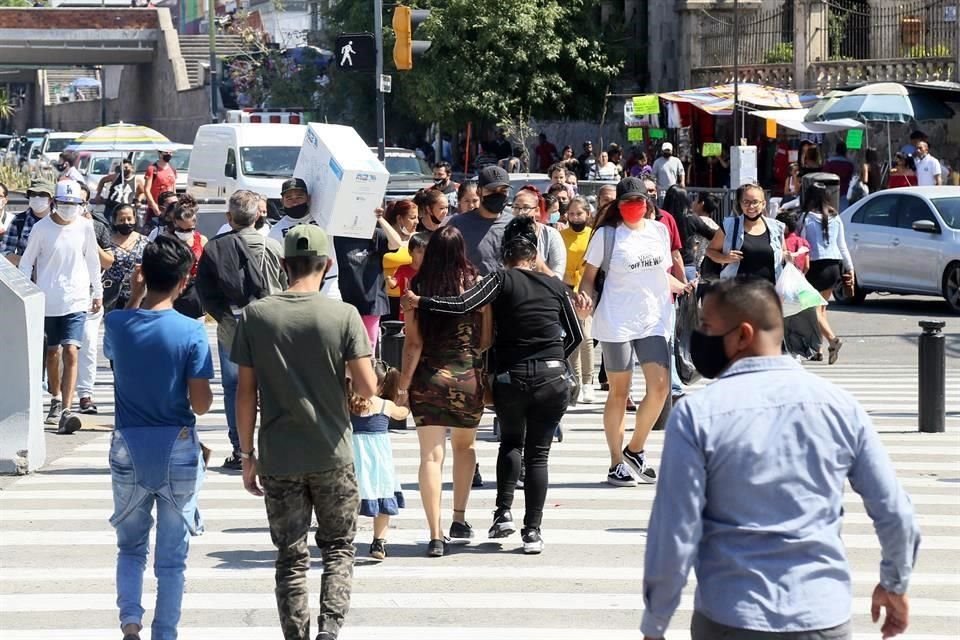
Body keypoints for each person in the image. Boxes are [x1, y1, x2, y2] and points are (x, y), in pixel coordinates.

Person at [640, 278, 920, 640]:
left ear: (742, 335)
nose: (699, 336)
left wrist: (655, 624)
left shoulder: (698, 414)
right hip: (822, 615)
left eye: (707, 326)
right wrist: (894, 584)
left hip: (731, 617)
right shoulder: (839, 406)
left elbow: (674, 531)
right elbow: (896, 512)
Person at [403, 215, 583, 554]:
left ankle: (474, 522)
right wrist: (557, 360)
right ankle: (525, 530)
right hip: (518, 376)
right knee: (530, 454)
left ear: (504, 257)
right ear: (533, 257)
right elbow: (574, 335)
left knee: (490, 447)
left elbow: (446, 318)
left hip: (472, 376)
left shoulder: (490, 280)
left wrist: (422, 303)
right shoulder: (552, 287)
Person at [232, 225, 377, 640]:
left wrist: (246, 455)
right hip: (333, 452)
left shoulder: (257, 316)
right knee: (338, 549)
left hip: (279, 455)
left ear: (283, 265)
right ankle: (330, 631)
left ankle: (296, 635)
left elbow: (246, 393)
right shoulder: (343, 314)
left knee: (290, 557)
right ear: (327, 264)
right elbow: (367, 386)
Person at [103, 236, 214, 640]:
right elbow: (201, 404)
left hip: (129, 445)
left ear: (143, 274)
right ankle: (164, 633)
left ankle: (130, 622)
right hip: (178, 446)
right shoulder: (191, 332)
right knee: (172, 559)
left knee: (130, 547)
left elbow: (115, 350)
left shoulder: (117, 322)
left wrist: (133, 297)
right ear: (185, 280)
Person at [578, 178, 690, 487]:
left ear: (648, 204)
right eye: (627, 203)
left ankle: (635, 449)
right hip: (616, 321)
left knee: (660, 387)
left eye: (638, 202)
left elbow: (662, 276)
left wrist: (684, 286)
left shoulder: (659, 231)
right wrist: (584, 297)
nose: (633, 207)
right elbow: (588, 277)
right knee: (620, 391)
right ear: (618, 206)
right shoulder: (606, 235)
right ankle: (616, 462)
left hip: (654, 319)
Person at [398, 226, 490, 556]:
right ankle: (459, 518)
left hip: (429, 378)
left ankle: (435, 534)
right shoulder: (476, 285)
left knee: (430, 456)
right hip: (467, 377)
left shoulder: (418, 288)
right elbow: (485, 338)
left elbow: (413, 343)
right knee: (465, 449)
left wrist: (403, 387)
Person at [196, 190, 287, 469]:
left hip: (231, 326)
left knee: (235, 387)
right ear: (259, 215)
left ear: (229, 217)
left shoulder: (214, 247)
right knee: (272, 386)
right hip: (270, 324)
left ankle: (240, 448)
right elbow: (284, 285)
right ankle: (274, 447)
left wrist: (224, 318)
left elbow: (205, 291)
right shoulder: (272, 247)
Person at [18, 179, 103, 434]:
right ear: (55, 203)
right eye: (64, 203)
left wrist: (96, 292)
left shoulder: (86, 227)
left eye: (73, 204)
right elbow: (26, 262)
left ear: (81, 204)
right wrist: (25, 292)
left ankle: (67, 409)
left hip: (77, 298)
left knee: (72, 351)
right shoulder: (41, 229)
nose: (68, 208)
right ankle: (55, 398)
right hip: (48, 300)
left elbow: (93, 262)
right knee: (52, 353)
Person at [349, 361, 408, 561]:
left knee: (348, 502)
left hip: (352, 458)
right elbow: (403, 414)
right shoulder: (385, 405)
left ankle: (345, 540)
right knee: (383, 499)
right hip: (379, 461)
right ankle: (379, 542)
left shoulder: (347, 402)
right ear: (383, 385)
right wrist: (406, 398)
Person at [334, 207, 402, 351]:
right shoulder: (337, 236)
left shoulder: (375, 235)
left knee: (368, 348)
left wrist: (380, 218)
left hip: (372, 302)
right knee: (346, 348)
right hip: (345, 301)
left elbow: (396, 243)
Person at [801, 182, 854, 365]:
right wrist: (850, 269)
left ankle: (833, 340)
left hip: (815, 267)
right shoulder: (836, 217)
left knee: (812, 309)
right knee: (822, 309)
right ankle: (817, 350)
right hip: (834, 267)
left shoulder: (806, 218)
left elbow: (802, 245)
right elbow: (842, 246)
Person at [706, 183, 788, 285]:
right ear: (740, 204)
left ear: (763, 204)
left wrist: (789, 256)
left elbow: (783, 253)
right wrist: (724, 258)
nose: (751, 206)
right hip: (737, 293)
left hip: (769, 294)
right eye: (746, 202)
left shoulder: (776, 227)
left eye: (755, 202)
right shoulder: (729, 226)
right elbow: (710, 250)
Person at [445, 165, 513, 276]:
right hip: (472, 291)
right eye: (491, 190)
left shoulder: (514, 225)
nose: (497, 195)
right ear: (479, 191)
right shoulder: (457, 225)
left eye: (503, 191)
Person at [561, 195, 596, 403]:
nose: (575, 217)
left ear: (587, 214)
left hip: (587, 289)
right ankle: (575, 380)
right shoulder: (560, 235)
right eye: (571, 214)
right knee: (573, 336)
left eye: (579, 213)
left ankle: (588, 383)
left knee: (586, 336)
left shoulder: (593, 236)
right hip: (566, 289)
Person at [102, 204, 148, 312]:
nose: (126, 223)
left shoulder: (145, 241)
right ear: (114, 221)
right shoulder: (106, 242)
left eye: (129, 219)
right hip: (111, 297)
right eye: (121, 220)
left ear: (135, 219)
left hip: (137, 296)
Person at [512, 186, 566, 278]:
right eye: (516, 207)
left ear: (536, 210)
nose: (520, 213)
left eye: (526, 208)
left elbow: (558, 273)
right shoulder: (507, 233)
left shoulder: (551, 235)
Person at [2, 179, 55, 266]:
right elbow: (5, 253)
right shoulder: (19, 221)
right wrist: (29, 261)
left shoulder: (60, 221)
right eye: (33, 194)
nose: (37, 198)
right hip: (26, 277)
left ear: (51, 199)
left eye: (42, 194)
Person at [382, 199, 418, 320]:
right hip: (386, 298)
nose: (417, 221)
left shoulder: (418, 238)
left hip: (411, 297)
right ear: (399, 219)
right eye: (412, 218)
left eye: (417, 217)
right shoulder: (382, 238)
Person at [384, 231, 428, 320]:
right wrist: (389, 279)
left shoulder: (429, 271)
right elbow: (394, 283)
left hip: (424, 312)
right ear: (410, 252)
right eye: (419, 252)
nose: (423, 255)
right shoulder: (403, 269)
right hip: (406, 313)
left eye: (426, 252)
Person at [144, 148, 178, 228]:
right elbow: (146, 189)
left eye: (171, 152)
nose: (169, 154)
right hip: (156, 207)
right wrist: (154, 206)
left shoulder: (172, 169)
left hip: (169, 207)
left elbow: (173, 188)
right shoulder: (152, 169)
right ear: (160, 154)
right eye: (166, 152)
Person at [823, 142, 857, 209]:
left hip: (830, 194)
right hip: (844, 193)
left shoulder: (829, 162)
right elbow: (852, 178)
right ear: (845, 151)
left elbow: (824, 178)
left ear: (836, 150)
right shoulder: (849, 164)